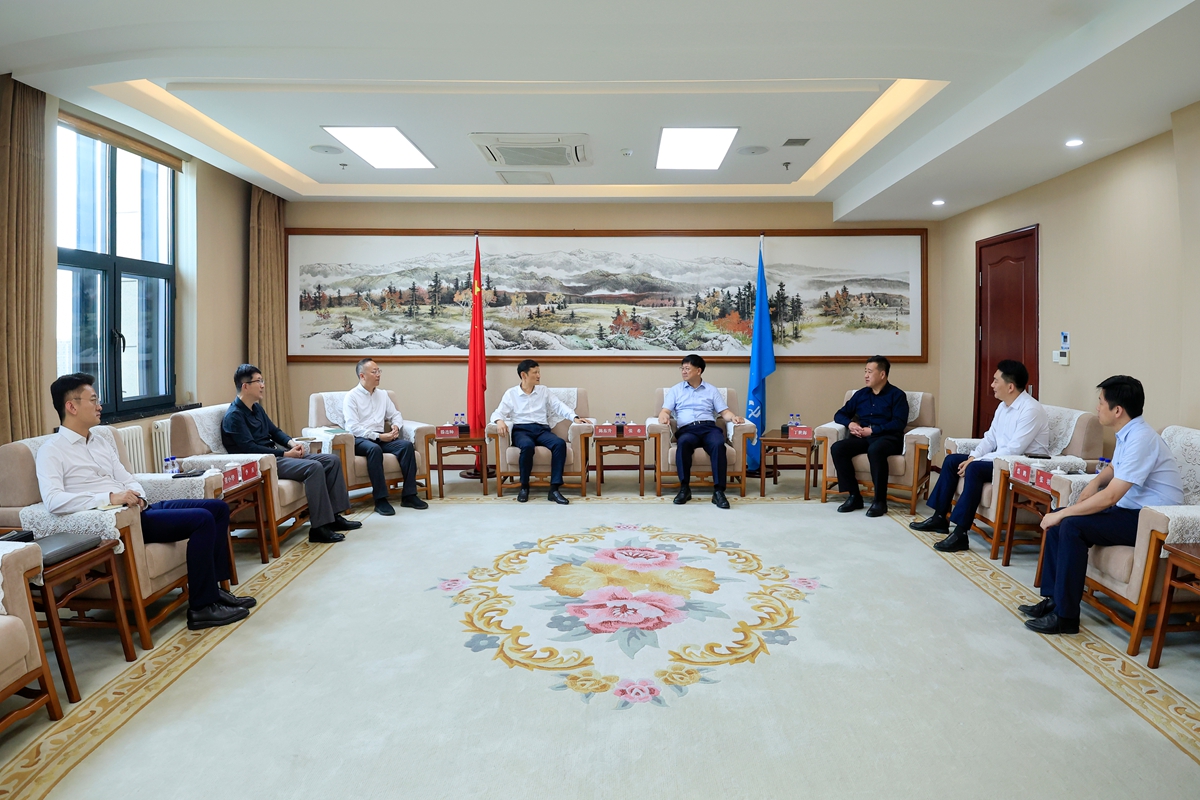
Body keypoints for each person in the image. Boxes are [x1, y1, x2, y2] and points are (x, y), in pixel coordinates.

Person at [36, 374, 255, 631]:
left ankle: (215, 592)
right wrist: (110, 498)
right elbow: (53, 500)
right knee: (202, 520)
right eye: (93, 400)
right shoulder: (52, 450)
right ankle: (202, 608)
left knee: (217, 508)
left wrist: (139, 496)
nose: (99, 406)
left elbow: (128, 477)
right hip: (120, 521)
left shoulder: (100, 441)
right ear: (71, 406)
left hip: (140, 509)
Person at [1021, 376, 1183, 635]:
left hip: (1152, 522)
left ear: (1117, 410)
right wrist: (1094, 483)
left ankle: (1066, 618)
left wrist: (1066, 513)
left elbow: (1111, 497)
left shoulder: (1142, 438)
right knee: (1058, 520)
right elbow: (1115, 468)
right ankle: (1054, 601)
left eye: (1100, 402)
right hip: (1133, 512)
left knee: (1070, 525)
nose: (1097, 407)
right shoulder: (1129, 432)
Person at [912, 360, 1050, 552]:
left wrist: (974, 462)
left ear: (1010, 387)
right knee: (952, 461)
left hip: (1021, 465)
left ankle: (960, 533)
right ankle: (939, 518)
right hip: (1001, 460)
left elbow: (1014, 450)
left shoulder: (1031, 410)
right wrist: (973, 456)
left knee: (975, 469)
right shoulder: (1003, 406)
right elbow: (990, 438)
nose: (992, 385)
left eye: (995, 381)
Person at [222, 364, 360, 544]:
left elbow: (274, 431)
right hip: (263, 463)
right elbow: (250, 449)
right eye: (258, 381)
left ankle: (334, 517)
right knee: (314, 468)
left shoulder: (256, 408)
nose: (263, 385)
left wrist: (292, 443)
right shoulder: (234, 416)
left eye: (262, 381)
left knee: (332, 460)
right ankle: (319, 528)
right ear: (245, 386)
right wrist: (286, 454)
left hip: (276, 456)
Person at [491, 359, 586, 504]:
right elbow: (498, 413)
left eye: (539, 372)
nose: (539, 376)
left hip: (541, 430)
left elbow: (559, 406)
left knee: (559, 444)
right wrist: (499, 421)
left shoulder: (543, 391)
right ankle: (524, 487)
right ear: (524, 375)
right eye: (535, 372)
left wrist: (575, 417)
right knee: (527, 446)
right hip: (521, 430)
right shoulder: (511, 394)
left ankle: (554, 489)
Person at [658, 354, 746, 510]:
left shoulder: (711, 390)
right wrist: (663, 416)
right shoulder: (676, 390)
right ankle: (684, 488)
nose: (683, 371)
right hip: (687, 429)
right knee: (683, 443)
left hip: (708, 428)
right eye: (682, 368)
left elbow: (724, 412)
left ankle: (719, 492)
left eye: (687, 368)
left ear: (698, 371)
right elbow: (665, 411)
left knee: (718, 444)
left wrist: (734, 417)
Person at [342, 358, 428, 516]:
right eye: (374, 372)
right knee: (374, 449)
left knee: (406, 446)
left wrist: (396, 426)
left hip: (382, 437)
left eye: (379, 371)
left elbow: (395, 415)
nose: (378, 375)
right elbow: (352, 427)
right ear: (362, 376)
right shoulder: (351, 397)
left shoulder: (382, 395)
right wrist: (379, 436)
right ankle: (380, 499)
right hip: (361, 439)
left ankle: (409, 495)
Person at [830, 356, 909, 517]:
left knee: (876, 450)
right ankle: (854, 496)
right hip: (863, 438)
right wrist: (850, 424)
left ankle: (880, 502)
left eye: (870, 372)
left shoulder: (897, 395)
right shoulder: (861, 394)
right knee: (838, 448)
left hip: (888, 438)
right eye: (865, 371)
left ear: (882, 374)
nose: (866, 375)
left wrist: (873, 430)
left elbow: (899, 423)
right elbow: (839, 414)